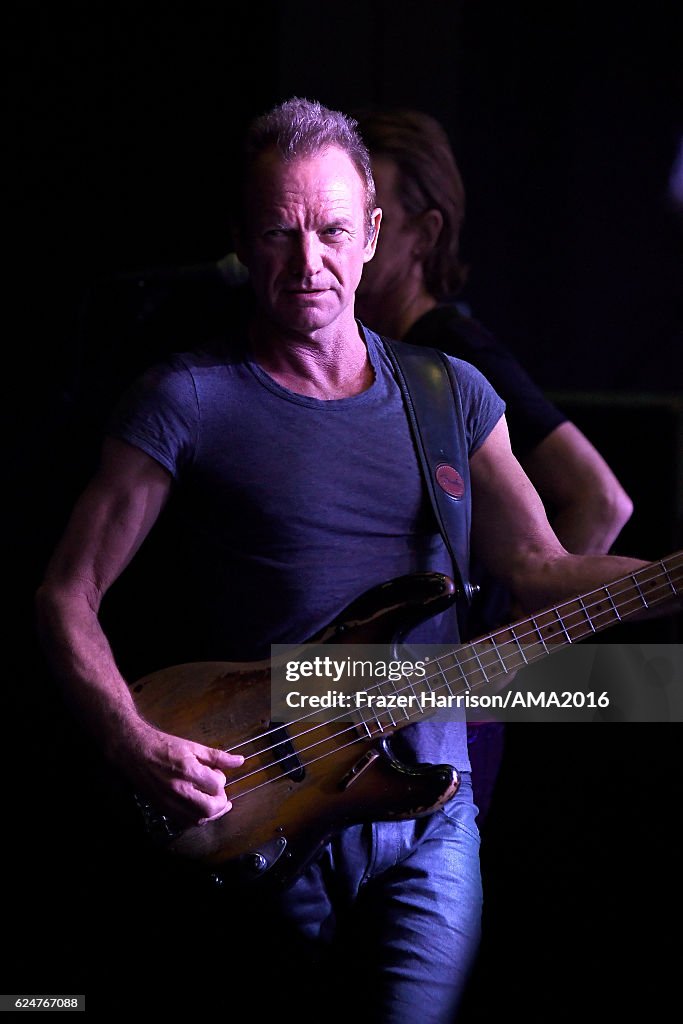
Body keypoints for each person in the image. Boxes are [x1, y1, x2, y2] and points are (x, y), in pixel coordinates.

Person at [34, 97, 679, 1023]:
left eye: (333, 230)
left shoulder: (449, 391)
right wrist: (129, 740)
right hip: (262, 801)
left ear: (373, 232)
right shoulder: (185, 399)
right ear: (240, 240)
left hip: (428, 811)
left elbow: (537, 566)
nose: (309, 265)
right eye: (278, 233)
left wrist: (668, 584)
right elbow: (67, 594)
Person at [352, 106, 635, 824]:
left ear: (424, 233)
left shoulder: (454, 353)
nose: (349, 235)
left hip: (445, 710)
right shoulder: (365, 355)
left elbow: (600, 500)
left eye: (371, 213)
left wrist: (506, 650)